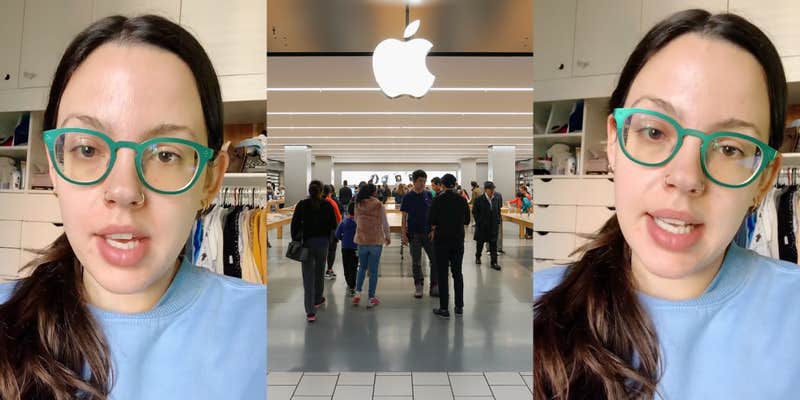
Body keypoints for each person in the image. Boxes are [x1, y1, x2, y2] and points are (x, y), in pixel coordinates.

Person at [534, 10, 800, 399]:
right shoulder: (539, 310)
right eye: (655, 131)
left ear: (763, 179)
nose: (687, 177)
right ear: (614, 142)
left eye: (729, 148)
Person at [0, 15, 265, 399]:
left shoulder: (259, 333)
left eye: (165, 154)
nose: (124, 191)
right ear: (55, 169)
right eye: (87, 149)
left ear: (210, 180)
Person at [291, 180, 337, 323]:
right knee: (319, 272)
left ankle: (310, 311)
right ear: (322, 191)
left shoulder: (302, 205)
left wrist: (296, 239)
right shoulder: (327, 205)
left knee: (308, 277)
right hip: (322, 244)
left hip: (306, 245)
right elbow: (333, 225)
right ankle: (318, 299)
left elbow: (295, 225)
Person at [428, 174, 470, 319]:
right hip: (458, 240)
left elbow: (431, 220)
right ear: (455, 184)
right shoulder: (461, 200)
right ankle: (459, 306)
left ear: (442, 185)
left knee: (442, 274)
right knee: (457, 273)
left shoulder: (437, 200)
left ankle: (444, 308)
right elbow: (467, 220)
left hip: (441, 241)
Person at [401, 169, 438, 298]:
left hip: (428, 233)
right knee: (416, 262)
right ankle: (419, 285)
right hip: (414, 233)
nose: (423, 184)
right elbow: (404, 217)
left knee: (434, 259)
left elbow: (433, 214)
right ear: (414, 181)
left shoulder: (428, 195)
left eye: (424, 181)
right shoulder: (408, 197)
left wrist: (433, 229)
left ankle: (434, 285)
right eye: (420, 181)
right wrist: (403, 234)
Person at [352, 183, 390, 308]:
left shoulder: (358, 203)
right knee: (373, 271)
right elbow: (384, 222)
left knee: (362, 268)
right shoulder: (378, 204)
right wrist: (387, 236)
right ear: (373, 192)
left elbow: (356, 221)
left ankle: (357, 293)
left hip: (362, 240)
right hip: (375, 241)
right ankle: (371, 298)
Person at [473, 181, 503, 270]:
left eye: (493, 189)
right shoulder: (479, 199)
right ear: (486, 190)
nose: (493, 191)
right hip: (482, 226)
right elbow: (475, 212)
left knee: (493, 245)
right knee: (480, 244)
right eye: (491, 189)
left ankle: (494, 262)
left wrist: (498, 220)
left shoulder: (496, 198)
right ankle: (478, 257)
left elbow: (498, 210)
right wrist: (479, 222)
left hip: (493, 226)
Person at [335, 202, 358, 296]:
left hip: (345, 247)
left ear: (348, 211)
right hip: (355, 247)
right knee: (354, 265)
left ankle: (348, 281)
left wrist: (343, 239)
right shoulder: (358, 222)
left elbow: (337, 234)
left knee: (346, 264)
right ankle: (352, 284)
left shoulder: (343, 221)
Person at [322, 184, 342, 280]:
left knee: (321, 250)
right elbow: (338, 217)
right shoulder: (331, 202)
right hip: (331, 230)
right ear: (330, 193)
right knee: (331, 250)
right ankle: (329, 270)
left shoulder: (316, 201)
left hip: (319, 231)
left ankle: (320, 270)